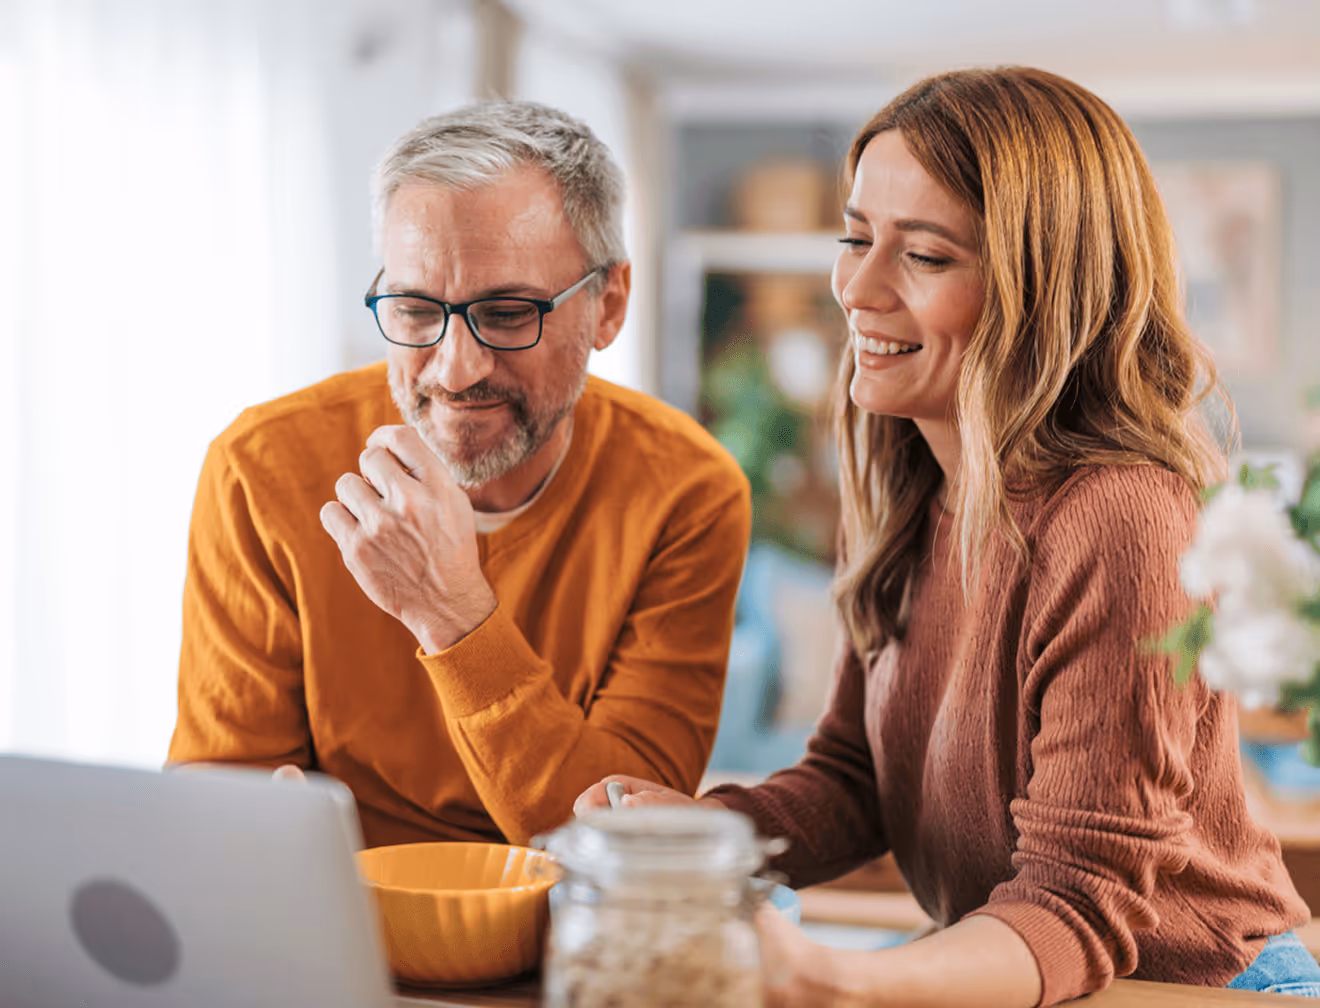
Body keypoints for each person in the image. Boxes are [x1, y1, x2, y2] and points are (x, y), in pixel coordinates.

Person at [576, 67, 1317, 1006]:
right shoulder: (903, 481)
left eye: (924, 257)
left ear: (1041, 288)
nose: (857, 287)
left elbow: (1079, 904)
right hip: (1019, 966)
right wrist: (700, 833)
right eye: (855, 238)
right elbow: (852, 780)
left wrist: (841, 977)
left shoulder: (1122, 516)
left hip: (1193, 983)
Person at [169, 100, 752, 850]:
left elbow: (630, 844)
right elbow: (222, 813)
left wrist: (452, 614)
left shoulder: (686, 492)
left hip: (566, 945)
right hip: (333, 933)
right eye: (415, 310)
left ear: (608, 306)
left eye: (508, 313)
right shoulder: (262, 469)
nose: (456, 369)